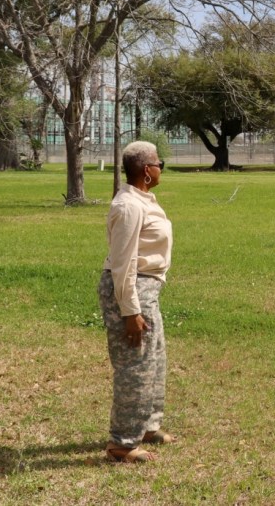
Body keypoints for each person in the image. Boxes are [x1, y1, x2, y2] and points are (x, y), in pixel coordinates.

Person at [99, 141, 175, 463]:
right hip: (131, 290)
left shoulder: (143, 199)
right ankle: (122, 443)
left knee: (153, 361)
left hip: (147, 288)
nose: (161, 168)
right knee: (135, 366)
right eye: (159, 163)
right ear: (147, 170)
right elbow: (124, 262)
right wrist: (130, 311)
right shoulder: (129, 206)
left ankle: (146, 426)